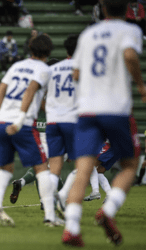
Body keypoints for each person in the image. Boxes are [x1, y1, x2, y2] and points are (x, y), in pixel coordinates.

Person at [62, 0, 146, 246]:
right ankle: (107, 212)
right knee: (130, 165)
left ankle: (72, 228)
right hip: (116, 109)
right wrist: (140, 84)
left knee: (84, 170)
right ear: (128, 11)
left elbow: (76, 74)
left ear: (102, 10)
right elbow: (129, 54)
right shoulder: (131, 30)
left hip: (87, 111)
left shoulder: (88, 33)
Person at [0, 34, 62, 227]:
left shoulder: (16, 66)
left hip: (2, 123)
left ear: (30, 49)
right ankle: (49, 217)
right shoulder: (44, 69)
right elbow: (31, 91)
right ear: (49, 51)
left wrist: (5, 117)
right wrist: (20, 119)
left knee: (6, 168)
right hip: (23, 124)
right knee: (42, 168)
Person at [43, 34, 78, 208]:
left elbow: (37, 93)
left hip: (53, 122)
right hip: (72, 120)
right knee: (86, 163)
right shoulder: (82, 67)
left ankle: (48, 206)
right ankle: (63, 195)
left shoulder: (53, 69)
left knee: (54, 167)